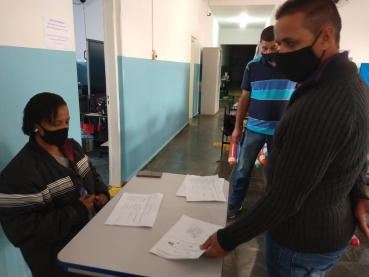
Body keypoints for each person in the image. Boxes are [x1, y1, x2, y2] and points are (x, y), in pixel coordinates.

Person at [200, 0, 369, 276]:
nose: (280, 54)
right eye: (278, 45)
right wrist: (359, 191)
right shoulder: (353, 83)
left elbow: (285, 198)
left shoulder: (324, 103)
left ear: (326, 36)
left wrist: (226, 239)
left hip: (300, 239)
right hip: (327, 229)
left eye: (289, 44)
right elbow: (353, 150)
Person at [0, 92, 110, 277]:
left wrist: (102, 194)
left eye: (67, 122)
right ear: (36, 126)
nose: (64, 128)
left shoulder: (72, 147)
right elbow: (23, 231)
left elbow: (91, 174)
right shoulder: (19, 174)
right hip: (59, 265)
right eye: (56, 124)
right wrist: (77, 211)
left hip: (90, 247)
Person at [227, 25, 296, 218]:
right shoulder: (253, 66)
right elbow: (244, 99)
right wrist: (237, 127)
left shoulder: (293, 68)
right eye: (264, 48)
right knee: (243, 169)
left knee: (277, 173)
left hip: (281, 131)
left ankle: (271, 207)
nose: (267, 52)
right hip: (254, 129)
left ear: (281, 45)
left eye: (273, 48)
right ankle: (235, 203)